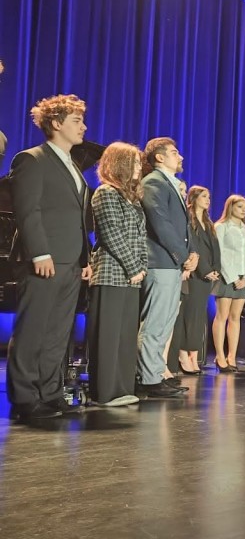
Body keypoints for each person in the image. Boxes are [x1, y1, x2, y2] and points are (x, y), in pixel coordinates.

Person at [6, 94, 93, 418]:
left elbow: (76, 217)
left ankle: (51, 392)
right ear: (56, 123)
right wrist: (39, 252)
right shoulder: (31, 159)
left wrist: (85, 259)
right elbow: (28, 211)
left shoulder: (72, 164)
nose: (84, 127)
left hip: (70, 260)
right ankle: (25, 398)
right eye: (76, 121)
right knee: (33, 328)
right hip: (44, 260)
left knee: (58, 331)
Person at [85, 142, 147, 406]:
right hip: (111, 272)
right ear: (120, 164)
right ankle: (105, 392)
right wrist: (133, 267)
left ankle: (122, 388)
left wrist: (141, 267)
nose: (139, 167)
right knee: (108, 335)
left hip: (133, 276)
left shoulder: (133, 199)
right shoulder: (106, 193)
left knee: (125, 335)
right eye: (134, 162)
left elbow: (141, 237)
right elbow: (112, 233)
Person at [138, 137, 195, 398]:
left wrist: (191, 253)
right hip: (160, 261)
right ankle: (148, 379)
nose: (180, 156)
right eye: (174, 152)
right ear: (159, 157)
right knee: (155, 323)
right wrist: (183, 255)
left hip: (172, 263)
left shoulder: (170, 183)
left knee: (165, 323)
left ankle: (156, 372)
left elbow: (182, 226)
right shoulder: (154, 182)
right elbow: (160, 223)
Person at [176, 186, 220, 374]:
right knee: (189, 315)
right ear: (193, 198)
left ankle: (194, 354)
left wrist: (216, 269)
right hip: (194, 274)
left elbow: (215, 248)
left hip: (207, 277)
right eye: (203, 196)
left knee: (199, 316)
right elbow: (194, 248)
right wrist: (205, 270)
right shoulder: (188, 218)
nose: (207, 199)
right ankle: (183, 354)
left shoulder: (208, 223)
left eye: (209, 196)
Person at [213, 194, 245, 372]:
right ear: (230, 207)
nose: (243, 210)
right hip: (227, 277)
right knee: (222, 316)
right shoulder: (221, 227)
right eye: (240, 207)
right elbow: (220, 253)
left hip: (243, 278)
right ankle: (220, 356)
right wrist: (232, 278)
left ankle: (232, 356)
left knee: (235, 317)